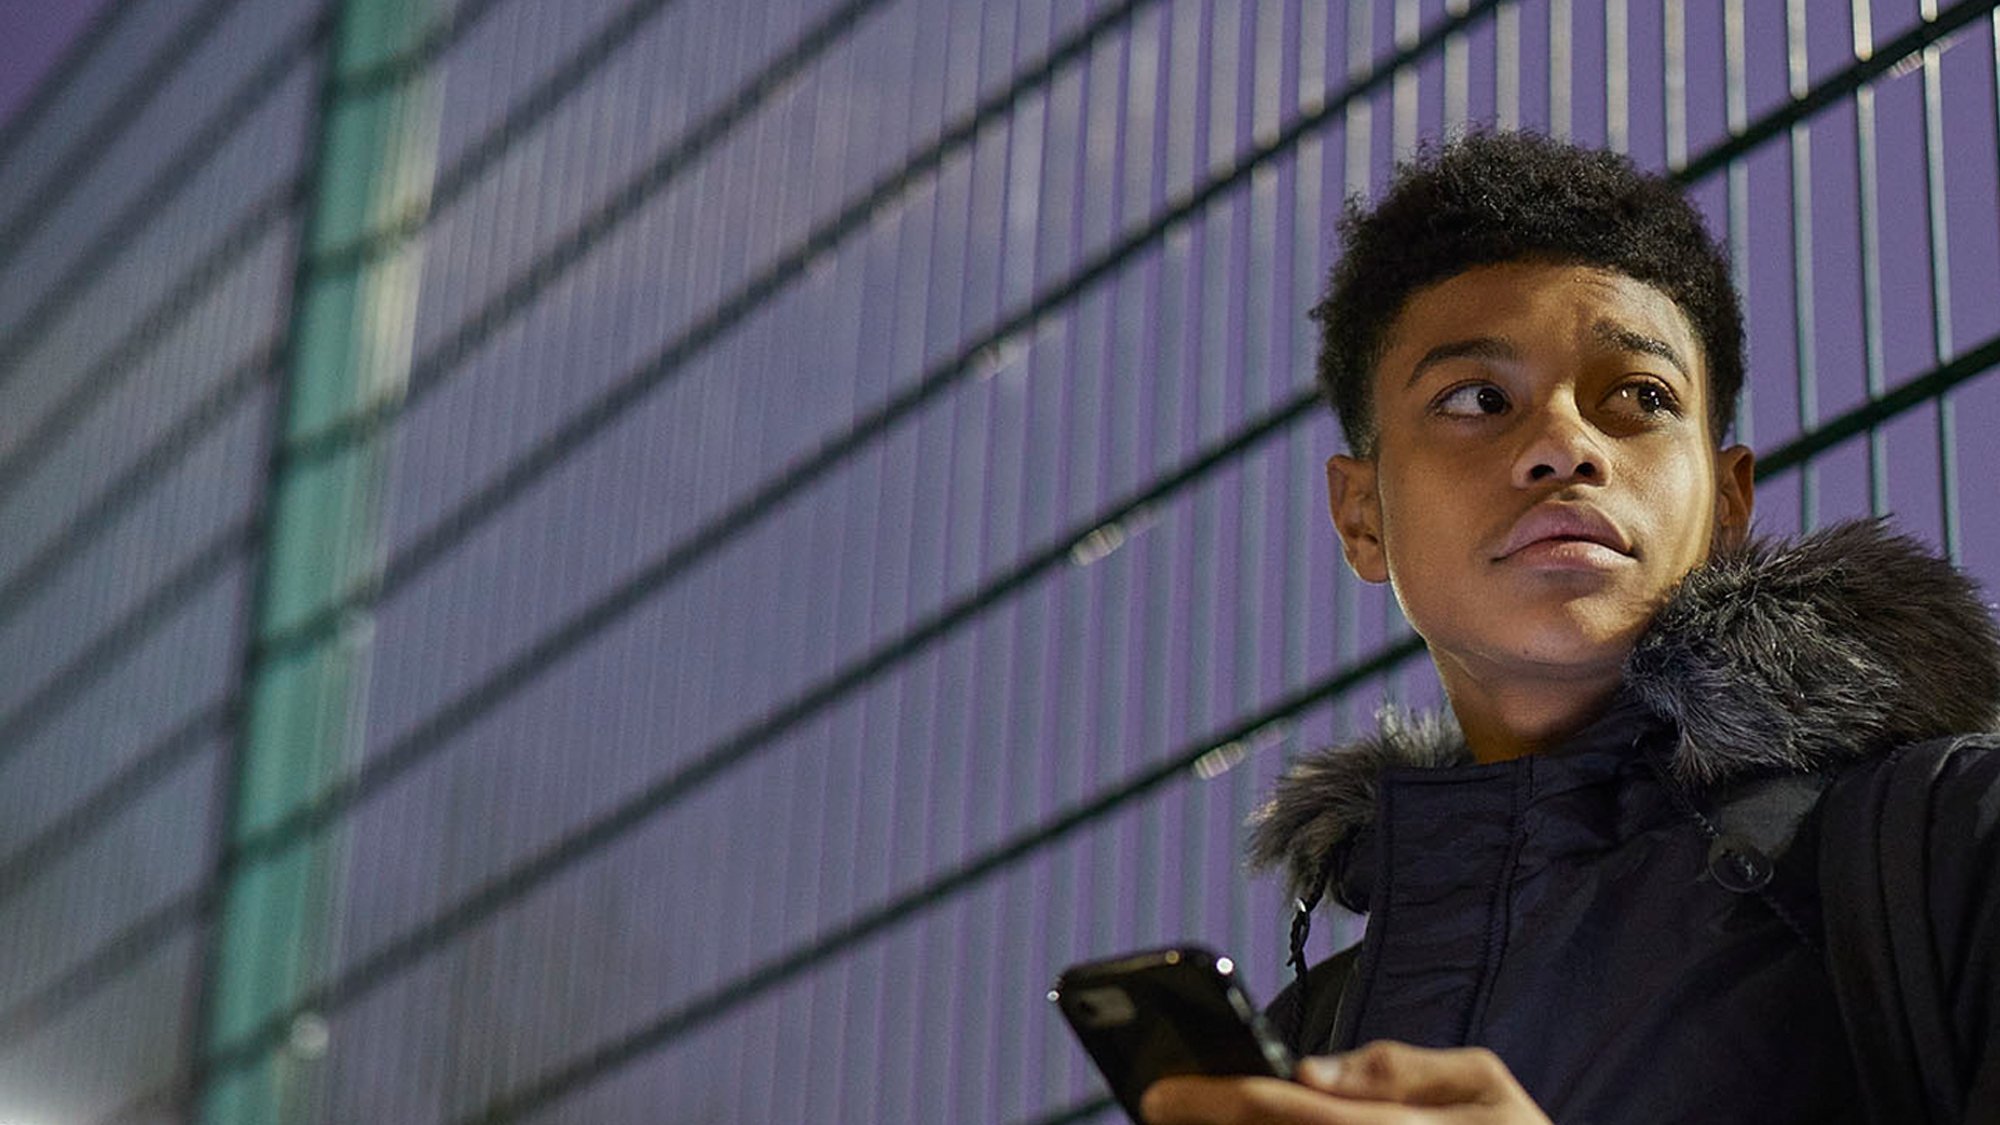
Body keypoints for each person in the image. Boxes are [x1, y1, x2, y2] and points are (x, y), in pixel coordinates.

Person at [1139, 131, 2000, 1123]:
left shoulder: (1947, 846)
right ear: (1360, 514)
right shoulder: (1306, 1045)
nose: (1561, 445)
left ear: (1726, 503)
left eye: (1638, 397)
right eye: (1475, 398)